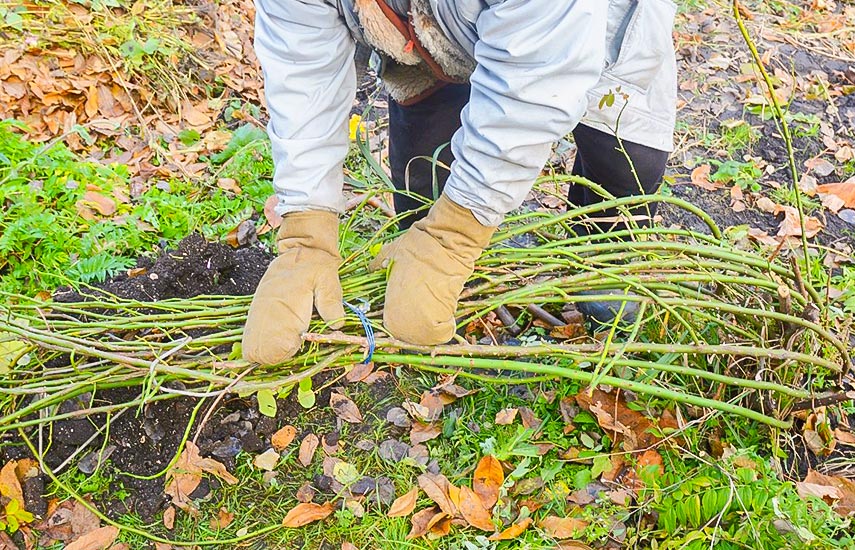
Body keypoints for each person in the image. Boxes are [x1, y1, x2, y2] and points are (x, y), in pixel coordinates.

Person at [242, 0, 679, 365]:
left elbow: (539, 78)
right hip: (429, 37)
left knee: (620, 172)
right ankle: (468, 297)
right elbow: (301, 68)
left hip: (598, 29)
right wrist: (306, 228)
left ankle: (608, 279)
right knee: (420, 192)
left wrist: (456, 232)